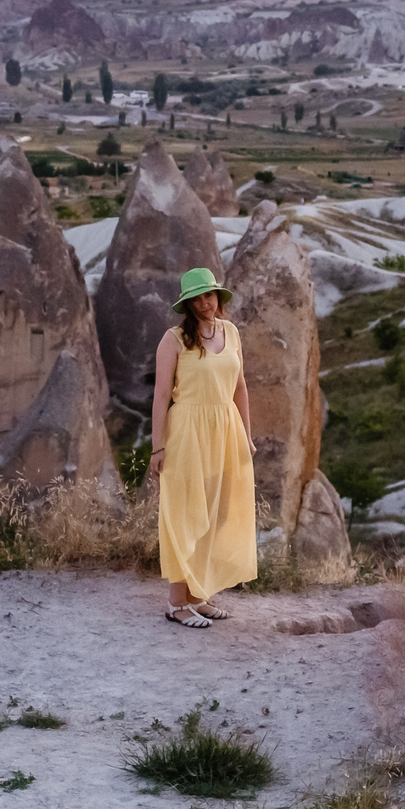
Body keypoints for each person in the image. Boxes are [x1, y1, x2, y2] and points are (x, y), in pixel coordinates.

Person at [151, 266, 255, 628]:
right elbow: (161, 395)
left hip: (226, 430)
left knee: (217, 513)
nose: (204, 303)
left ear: (218, 296)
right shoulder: (174, 340)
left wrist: (247, 435)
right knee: (185, 513)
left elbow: (240, 387)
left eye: (208, 295)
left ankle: (198, 595)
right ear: (187, 305)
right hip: (187, 432)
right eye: (196, 299)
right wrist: (157, 447)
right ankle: (176, 604)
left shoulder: (231, 332)